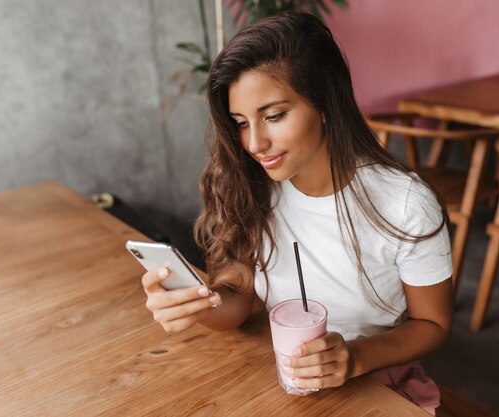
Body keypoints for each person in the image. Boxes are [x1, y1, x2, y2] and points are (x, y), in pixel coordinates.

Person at [141, 11, 453, 415]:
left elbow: (433, 326)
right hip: (281, 382)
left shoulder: (404, 205)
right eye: (240, 123)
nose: (254, 143)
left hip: (378, 385)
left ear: (324, 103)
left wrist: (354, 357)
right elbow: (235, 300)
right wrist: (197, 303)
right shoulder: (254, 187)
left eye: (274, 116)